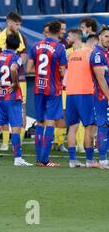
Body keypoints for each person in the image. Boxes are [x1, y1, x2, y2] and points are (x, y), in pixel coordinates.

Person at [0, 34, 33, 167]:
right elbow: (14, 68)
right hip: (13, 96)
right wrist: (15, 83)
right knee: (15, 128)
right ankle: (18, 158)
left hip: (1, 95)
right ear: (18, 45)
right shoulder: (17, 57)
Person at [27, 21, 67, 167]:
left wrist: (41, 75)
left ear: (48, 30)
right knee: (51, 121)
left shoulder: (36, 46)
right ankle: (45, 159)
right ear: (58, 32)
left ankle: (39, 159)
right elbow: (62, 72)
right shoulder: (60, 47)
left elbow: (29, 69)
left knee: (40, 122)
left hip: (39, 88)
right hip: (53, 89)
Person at [0, 12, 29, 149]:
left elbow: (25, 55)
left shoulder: (23, 38)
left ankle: (18, 141)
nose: (18, 27)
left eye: (20, 24)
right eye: (16, 24)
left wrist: (18, 62)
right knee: (2, 109)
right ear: (9, 23)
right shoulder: (0, 39)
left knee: (22, 107)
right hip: (3, 81)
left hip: (19, 78)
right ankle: (4, 141)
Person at [65, 31, 98, 168]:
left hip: (70, 93)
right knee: (88, 127)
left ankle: (72, 160)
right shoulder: (90, 53)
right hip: (85, 93)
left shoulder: (71, 54)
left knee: (72, 127)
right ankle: (89, 161)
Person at [90, 27, 109, 169]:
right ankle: (102, 160)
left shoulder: (106, 53)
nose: (108, 39)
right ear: (100, 37)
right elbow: (100, 79)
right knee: (103, 125)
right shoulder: (97, 54)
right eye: (106, 36)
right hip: (102, 96)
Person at [54, 19, 69, 152]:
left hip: (62, 84)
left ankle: (59, 141)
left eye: (65, 29)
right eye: (62, 29)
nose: (64, 31)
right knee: (55, 115)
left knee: (62, 114)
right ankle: (55, 141)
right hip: (54, 84)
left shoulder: (65, 44)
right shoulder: (54, 44)